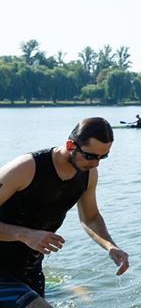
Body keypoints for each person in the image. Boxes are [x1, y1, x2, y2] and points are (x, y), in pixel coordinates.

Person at [0, 117, 129, 307]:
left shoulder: (88, 174)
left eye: (103, 157)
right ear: (70, 145)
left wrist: (110, 246)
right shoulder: (25, 168)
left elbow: (90, 217)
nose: (96, 164)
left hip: (29, 269)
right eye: (90, 156)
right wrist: (24, 235)